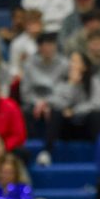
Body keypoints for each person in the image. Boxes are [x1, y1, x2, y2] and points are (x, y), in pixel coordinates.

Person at [41, 50, 100, 165]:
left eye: (76, 62)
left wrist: (75, 111)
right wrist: (72, 85)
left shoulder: (94, 82)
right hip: (66, 127)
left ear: (85, 66)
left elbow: (97, 104)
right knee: (55, 112)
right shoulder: (63, 82)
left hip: (85, 126)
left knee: (95, 115)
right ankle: (46, 152)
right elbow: (55, 102)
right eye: (71, 61)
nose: (71, 64)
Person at [20, 32, 69, 165]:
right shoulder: (29, 64)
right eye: (46, 45)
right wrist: (38, 103)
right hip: (33, 103)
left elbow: (65, 91)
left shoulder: (64, 64)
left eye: (52, 45)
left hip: (55, 103)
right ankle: (30, 150)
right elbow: (25, 92)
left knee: (58, 112)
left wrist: (47, 102)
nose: (49, 48)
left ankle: (47, 151)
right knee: (23, 111)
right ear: (39, 47)